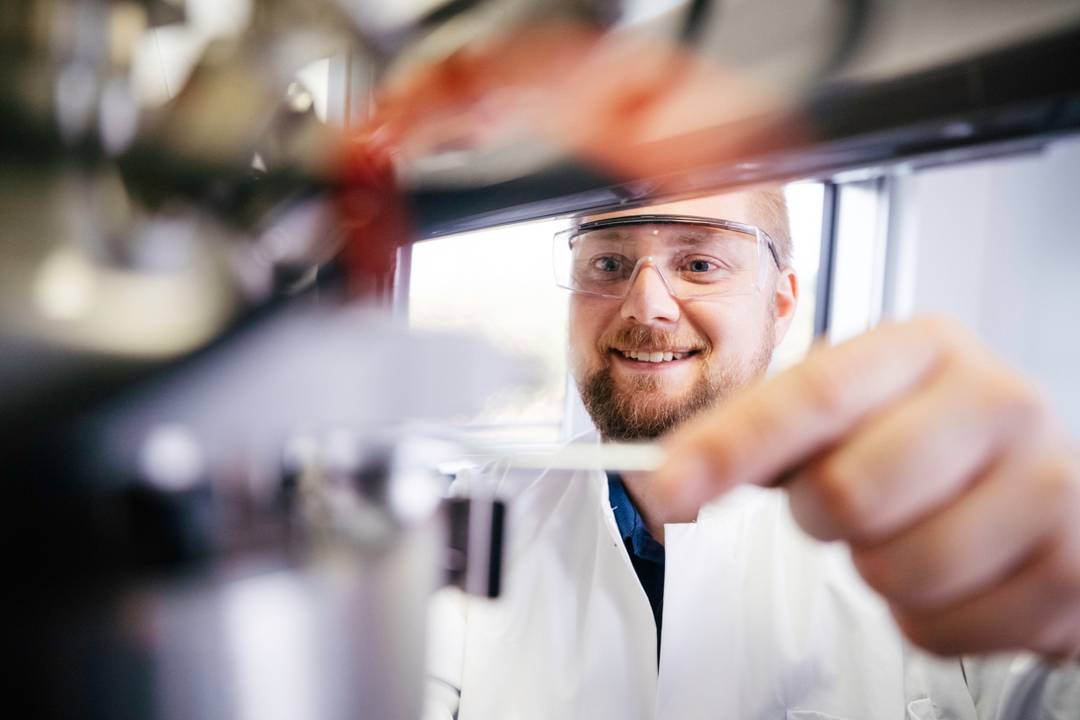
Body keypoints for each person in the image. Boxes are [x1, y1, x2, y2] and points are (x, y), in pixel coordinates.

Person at [424, 188, 1080, 719]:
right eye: (609, 264)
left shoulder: (923, 520)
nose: (646, 305)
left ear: (782, 301)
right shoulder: (482, 513)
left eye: (700, 263)